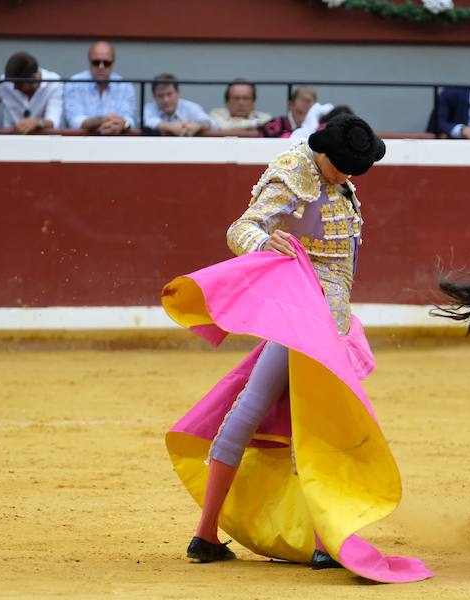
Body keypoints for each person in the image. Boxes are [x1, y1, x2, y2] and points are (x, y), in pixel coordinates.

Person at [161, 115, 432, 583]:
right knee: (315, 421)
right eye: (345, 167)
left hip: (328, 320)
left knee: (268, 412)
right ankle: (321, 543)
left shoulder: (337, 180)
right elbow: (241, 228)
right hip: (305, 320)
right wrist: (266, 240)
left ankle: (207, 535)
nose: (349, 176)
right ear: (324, 153)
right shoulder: (292, 171)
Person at [0, 52, 62, 133]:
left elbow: (53, 121)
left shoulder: (54, 84)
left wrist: (37, 122)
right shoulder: (6, 82)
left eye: (18, 83)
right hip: (9, 141)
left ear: (33, 78)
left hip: (42, 141)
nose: (14, 87)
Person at [64, 41, 135, 134]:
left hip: (116, 140)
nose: (101, 67)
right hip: (82, 141)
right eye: (96, 62)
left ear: (113, 64)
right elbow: (74, 120)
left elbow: (129, 119)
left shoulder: (124, 85)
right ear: (89, 62)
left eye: (106, 63)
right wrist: (100, 121)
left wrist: (124, 124)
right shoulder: (74, 83)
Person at [143, 74, 214, 136]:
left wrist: (197, 126)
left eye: (169, 94)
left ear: (178, 93)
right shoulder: (149, 108)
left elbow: (211, 122)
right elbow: (145, 121)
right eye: (160, 96)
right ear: (154, 97)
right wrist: (171, 127)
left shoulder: (190, 107)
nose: (166, 100)